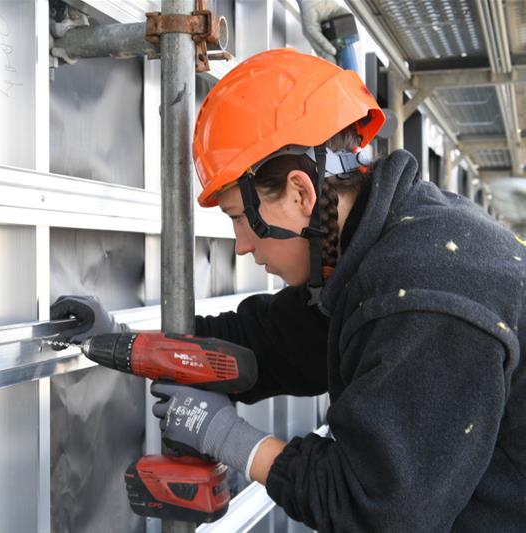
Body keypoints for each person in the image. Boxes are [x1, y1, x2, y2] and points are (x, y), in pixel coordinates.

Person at [51, 48, 526, 531]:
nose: (239, 246)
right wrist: (122, 339)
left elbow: (377, 510)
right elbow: (272, 343)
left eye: (239, 218)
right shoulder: (379, 253)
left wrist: (231, 439)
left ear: (302, 194)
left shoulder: (427, 297)